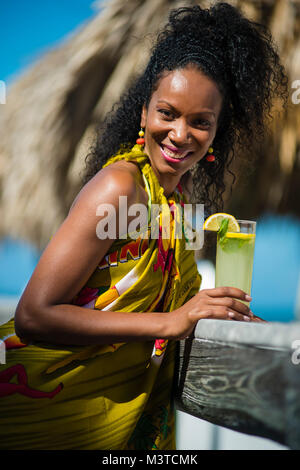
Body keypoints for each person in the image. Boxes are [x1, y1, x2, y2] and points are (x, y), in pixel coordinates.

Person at [0, 2, 287, 450]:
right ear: (143, 114)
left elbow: (176, 297)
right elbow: (34, 315)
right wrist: (169, 323)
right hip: (45, 416)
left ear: (216, 132)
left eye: (200, 122)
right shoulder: (120, 186)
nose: (179, 134)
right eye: (167, 113)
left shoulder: (172, 200)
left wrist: (245, 323)